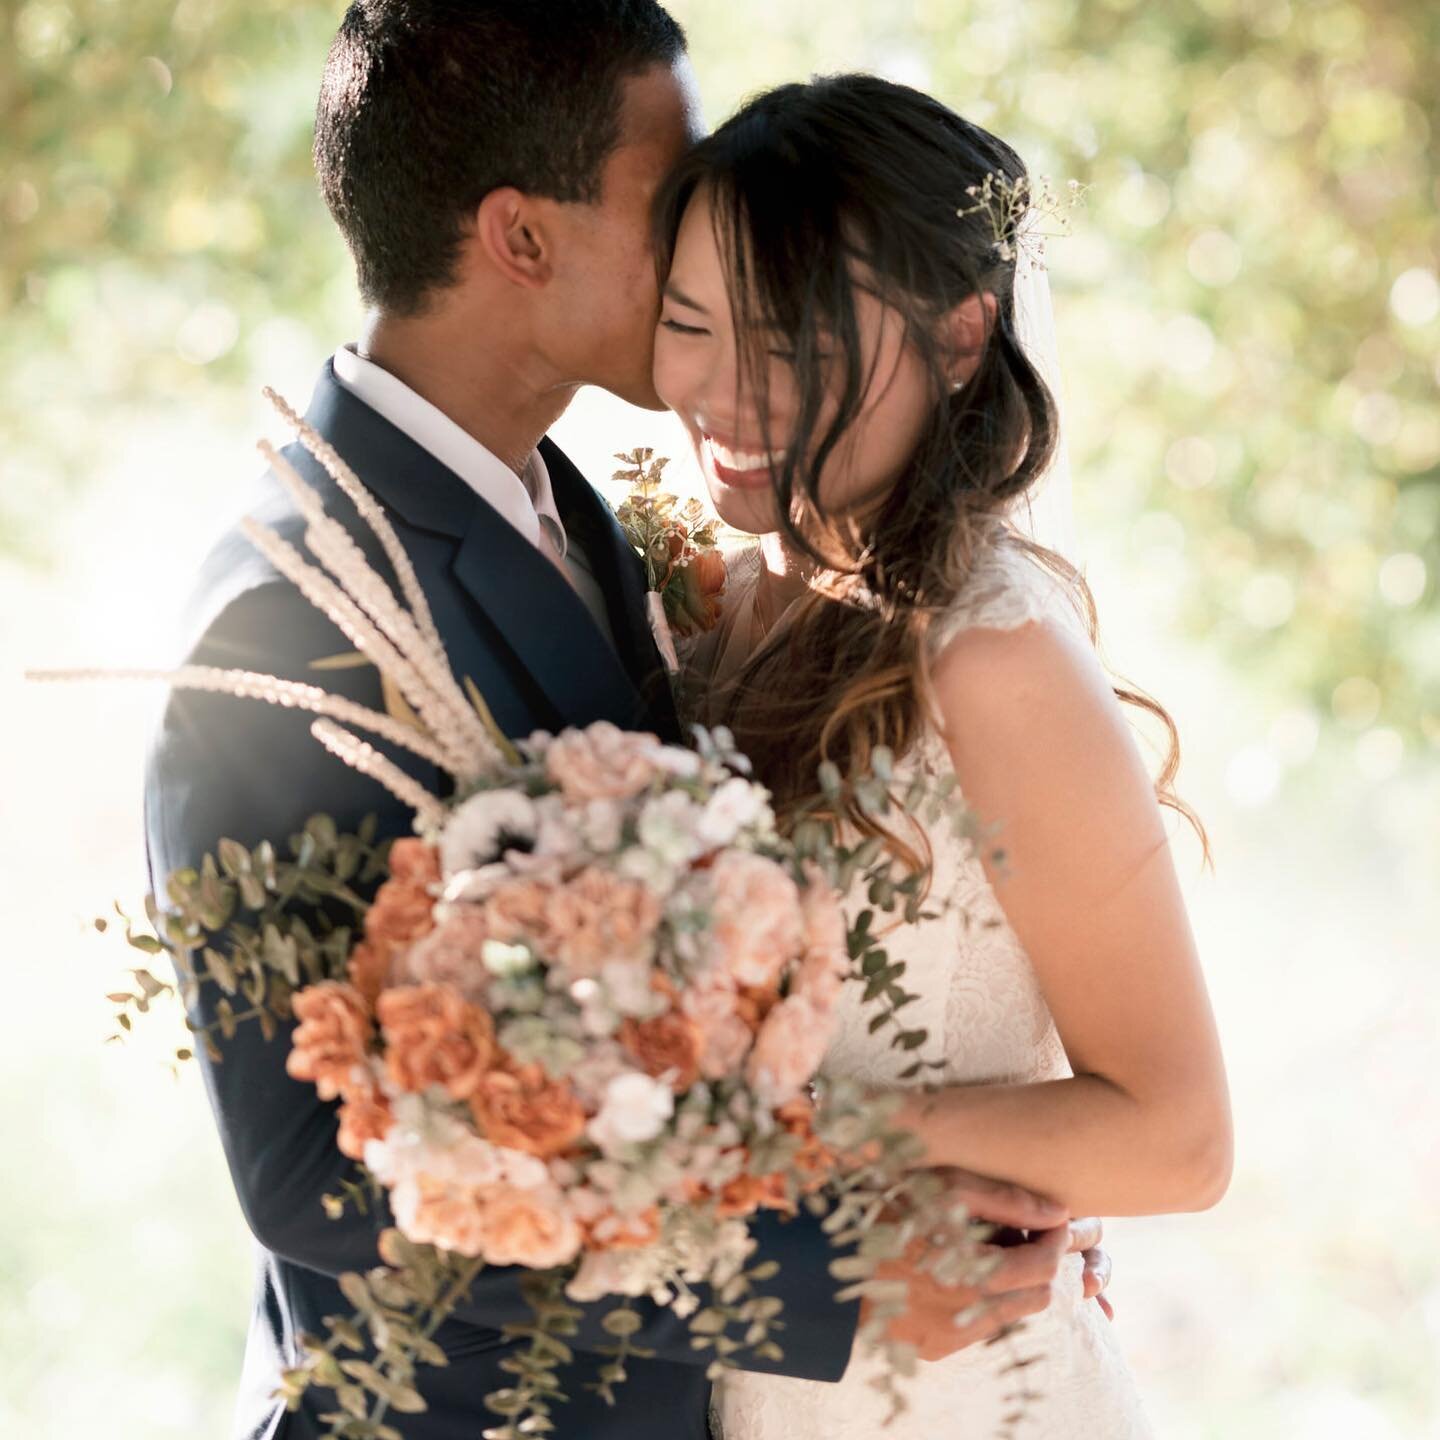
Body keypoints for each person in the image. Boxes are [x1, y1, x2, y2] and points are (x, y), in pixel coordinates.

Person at [144, 6, 1108, 1438]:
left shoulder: (584, 514)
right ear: (524, 240)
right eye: (675, 201)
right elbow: (316, 1186)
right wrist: (817, 1279)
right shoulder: (293, 616)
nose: (720, 237)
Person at [651, 73, 1233, 1437]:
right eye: (687, 324)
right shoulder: (706, 609)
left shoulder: (994, 657)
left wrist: (778, 1151)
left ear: (963, 334)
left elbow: (1179, 1134)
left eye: (787, 341)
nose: (720, 392)